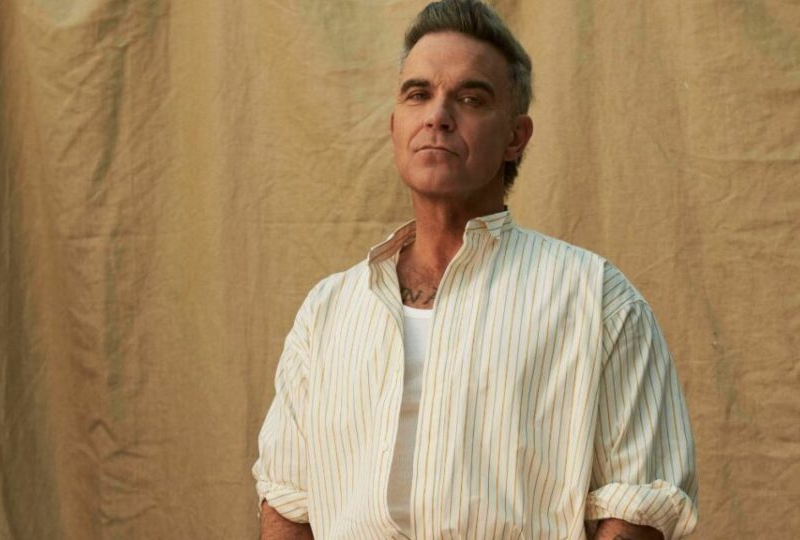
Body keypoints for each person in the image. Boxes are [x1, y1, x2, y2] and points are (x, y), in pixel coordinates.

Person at [253, 1, 697, 538]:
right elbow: (287, 501)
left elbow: (638, 506)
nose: (437, 116)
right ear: (395, 126)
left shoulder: (596, 301)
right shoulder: (328, 312)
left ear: (516, 136)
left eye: (470, 98)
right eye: (418, 94)